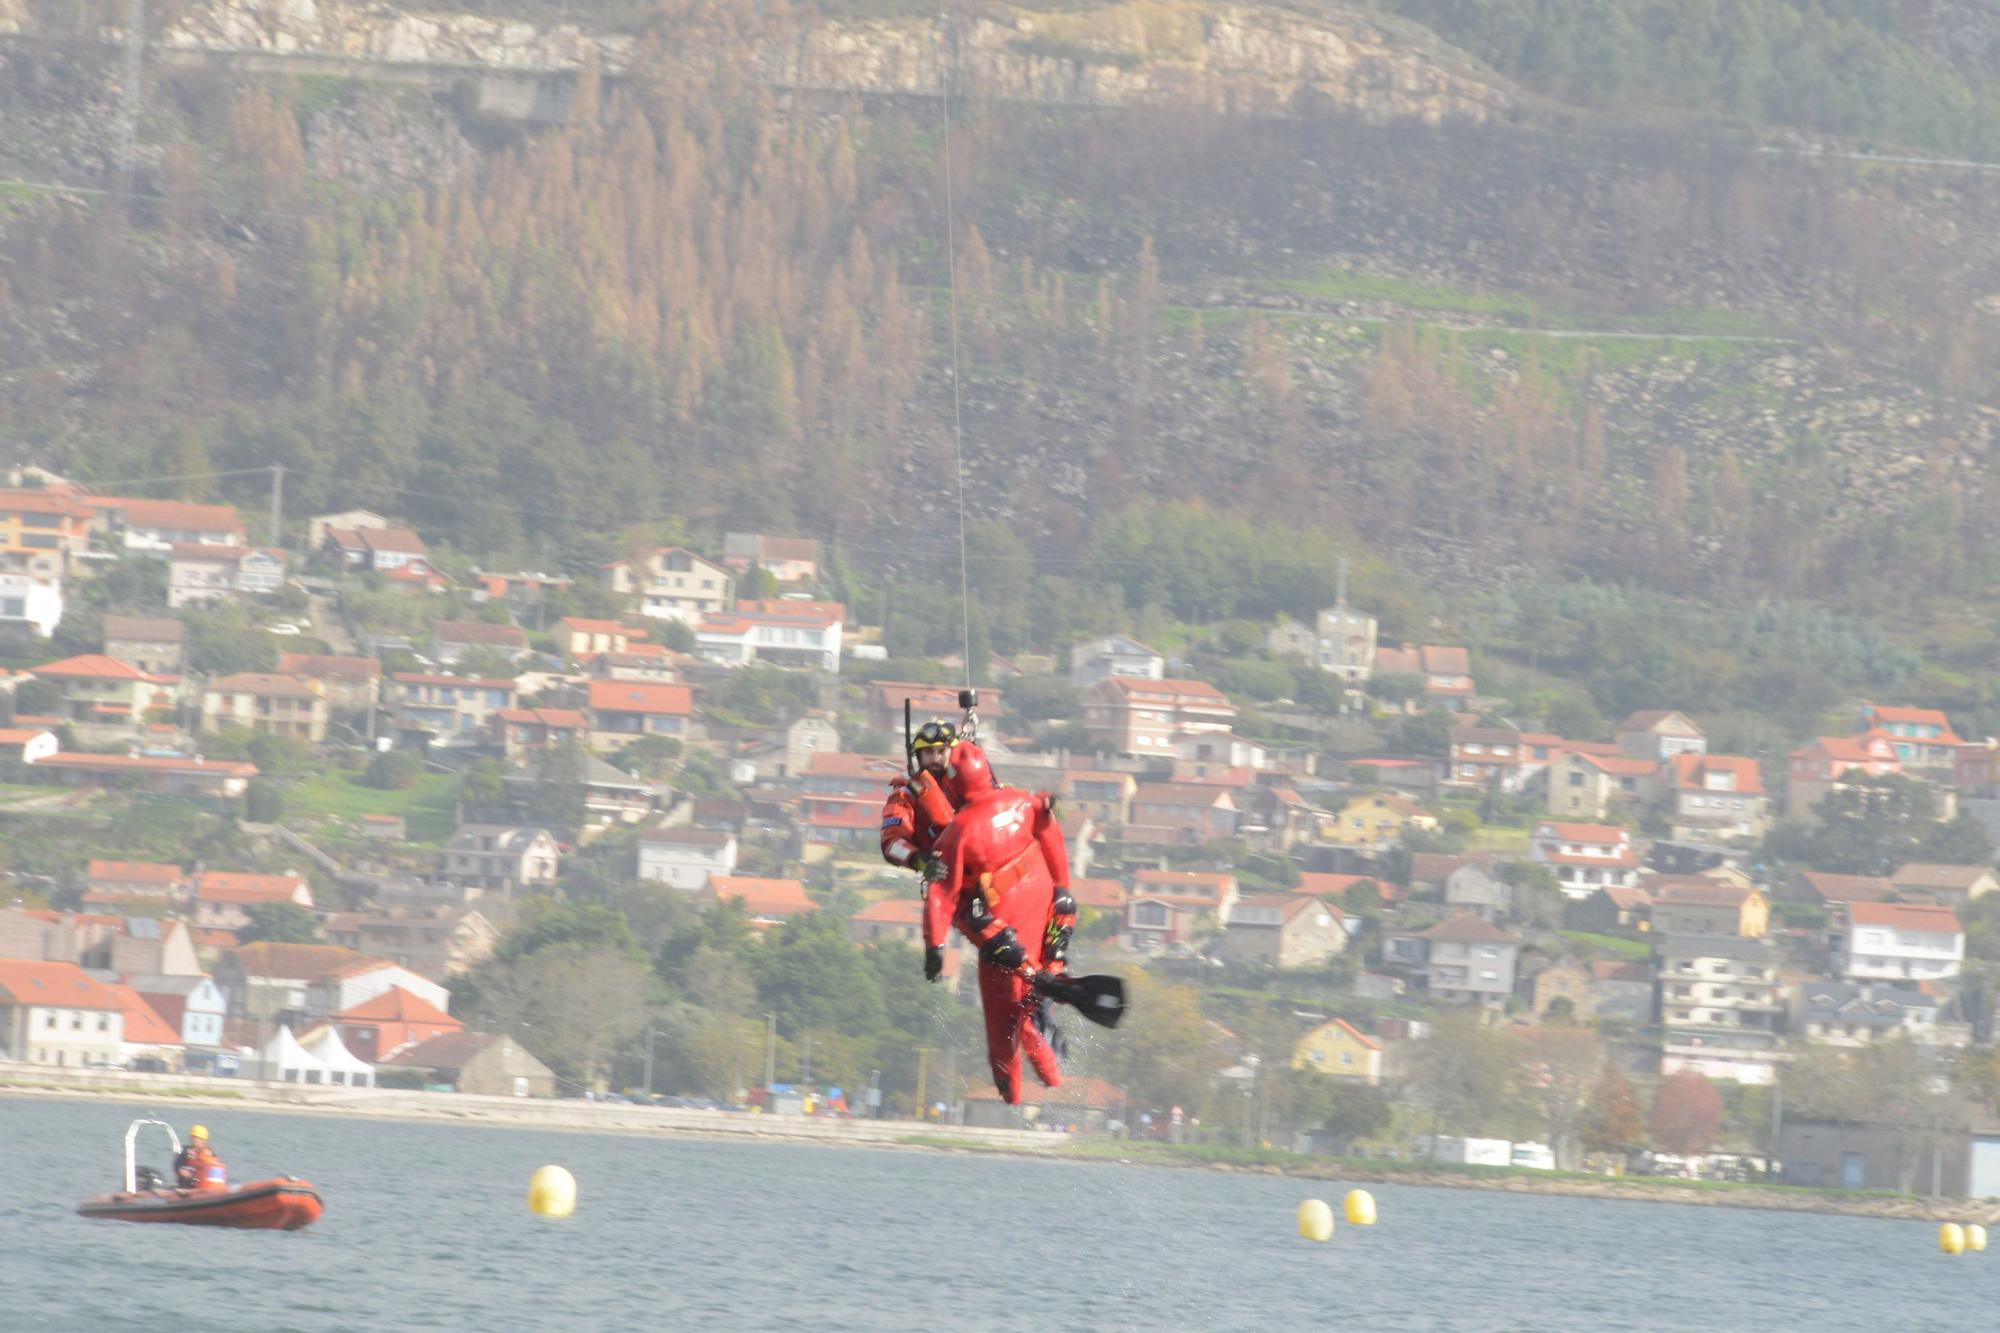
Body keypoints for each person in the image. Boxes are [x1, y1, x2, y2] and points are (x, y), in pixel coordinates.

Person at [920, 767, 1079, 1105]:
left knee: (1005, 1015)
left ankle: (1016, 1086)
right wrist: (1063, 887)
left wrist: (934, 947)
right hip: (1039, 902)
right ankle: (1052, 1068)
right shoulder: (1023, 803)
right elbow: (1049, 829)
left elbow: (940, 895)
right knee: (1035, 991)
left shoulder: (958, 831)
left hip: (997, 923)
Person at [174, 1124, 227, 1191]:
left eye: (200, 1138)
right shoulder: (185, 1151)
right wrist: (180, 1170)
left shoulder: (209, 1153)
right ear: (192, 1138)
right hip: (188, 1184)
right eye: (195, 1137)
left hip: (204, 1185)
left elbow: (216, 1166)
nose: (197, 1140)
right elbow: (177, 1164)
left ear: (204, 1140)